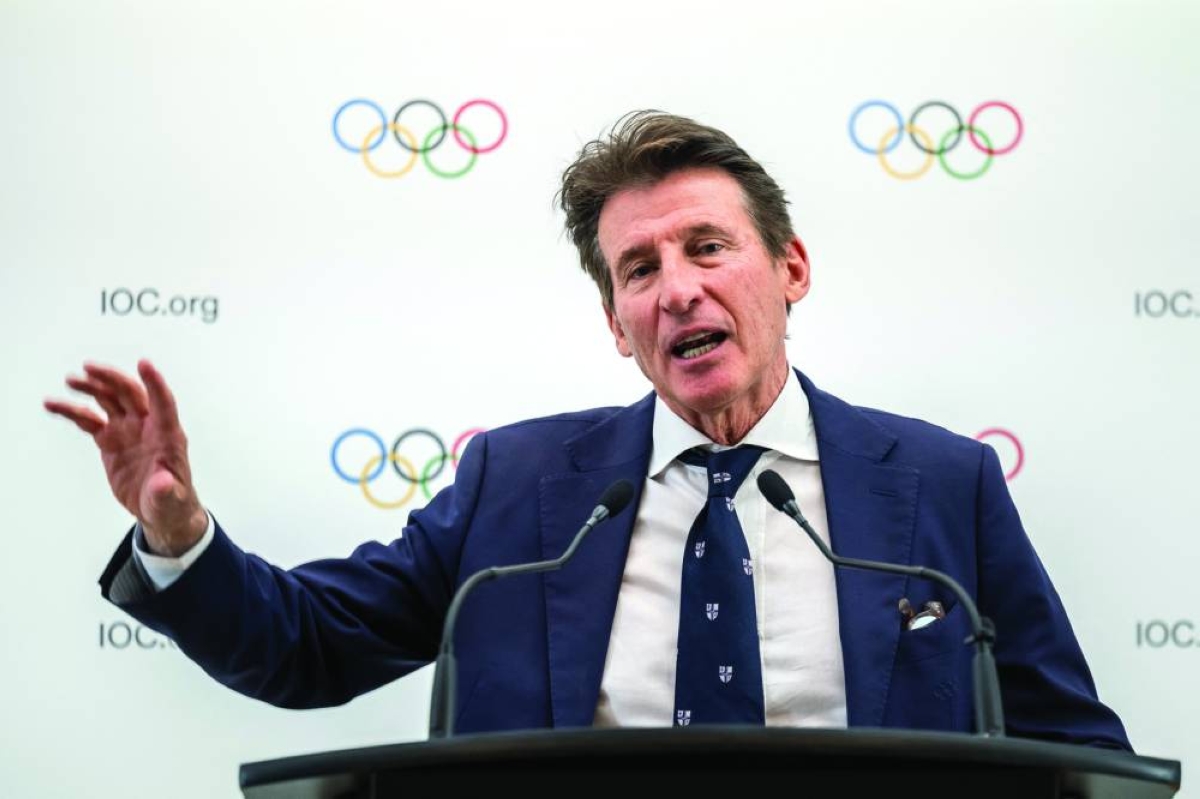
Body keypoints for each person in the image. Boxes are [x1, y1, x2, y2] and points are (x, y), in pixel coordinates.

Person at [46, 111, 1130, 747]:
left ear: (791, 268)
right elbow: (309, 646)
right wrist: (179, 541)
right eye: (640, 269)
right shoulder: (518, 486)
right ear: (617, 323)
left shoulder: (942, 482)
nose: (678, 289)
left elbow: (1072, 745)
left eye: (708, 247)